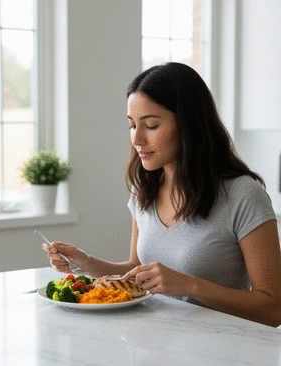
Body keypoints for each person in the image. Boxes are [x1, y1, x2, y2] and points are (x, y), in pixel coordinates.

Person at [42, 62, 281, 327]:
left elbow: (272, 309)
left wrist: (189, 285)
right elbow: (136, 270)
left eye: (151, 125)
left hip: (222, 353)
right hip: (156, 345)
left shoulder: (243, 195)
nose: (137, 139)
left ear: (189, 125)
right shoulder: (144, 191)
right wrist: (86, 263)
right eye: (132, 125)